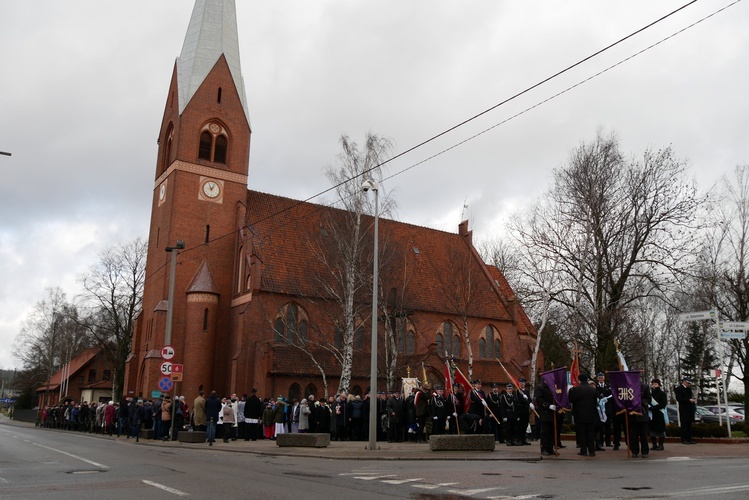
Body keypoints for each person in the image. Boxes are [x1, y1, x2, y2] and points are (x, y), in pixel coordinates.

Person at [568, 373, 599, 457]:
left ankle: (583, 450)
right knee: (590, 433)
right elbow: (595, 402)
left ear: (579, 380)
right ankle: (592, 451)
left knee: (582, 433)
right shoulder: (593, 390)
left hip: (580, 415)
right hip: (591, 415)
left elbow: (571, 400)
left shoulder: (576, 389)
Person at [534, 378, 556, 456]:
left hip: (553, 412)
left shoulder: (552, 387)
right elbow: (539, 399)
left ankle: (550, 448)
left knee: (552, 432)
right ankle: (544, 448)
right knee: (545, 431)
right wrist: (548, 405)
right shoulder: (540, 387)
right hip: (545, 412)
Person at [629, 381, 652, 458]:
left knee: (644, 435)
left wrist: (640, 401)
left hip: (642, 414)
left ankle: (645, 451)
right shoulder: (629, 386)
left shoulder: (645, 387)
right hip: (632, 415)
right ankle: (634, 451)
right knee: (633, 435)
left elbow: (648, 399)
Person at [674, 376, 697, 445]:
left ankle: (689, 438)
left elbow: (690, 397)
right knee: (684, 425)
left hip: (689, 409)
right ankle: (684, 439)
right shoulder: (679, 389)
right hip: (684, 409)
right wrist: (688, 400)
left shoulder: (688, 389)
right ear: (684, 381)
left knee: (689, 425)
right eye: (688, 382)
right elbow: (679, 399)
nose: (689, 384)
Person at [595, 372, 614, 447]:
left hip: (607, 408)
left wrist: (607, 400)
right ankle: (600, 442)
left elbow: (612, 396)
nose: (601, 379)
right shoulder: (596, 386)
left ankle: (608, 442)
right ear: (597, 378)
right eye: (599, 378)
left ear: (604, 378)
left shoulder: (608, 386)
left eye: (602, 377)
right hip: (599, 409)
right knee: (600, 426)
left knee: (608, 426)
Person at [649, 378, 668, 451]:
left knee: (660, 430)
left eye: (655, 384)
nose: (654, 385)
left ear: (659, 385)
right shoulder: (650, 394)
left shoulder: (662, 394)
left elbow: (663, 404)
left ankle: (661, 445)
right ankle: (654, 444)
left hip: (659, 413)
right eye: (653, 384)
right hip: (652, 414)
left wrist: (654, 407)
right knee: (652, 430)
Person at [516, 378, 532, 446]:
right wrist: (527, 402)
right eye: (520, 383)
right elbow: (521, 399)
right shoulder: (518, 391)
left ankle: (523, 439)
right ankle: (519, 440)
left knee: (525, 425)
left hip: (526, 411)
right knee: (520, 426)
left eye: (523, 383)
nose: (522, 384)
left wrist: (530, 402)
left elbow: (529, 399)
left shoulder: (526, 391)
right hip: (520, 410)